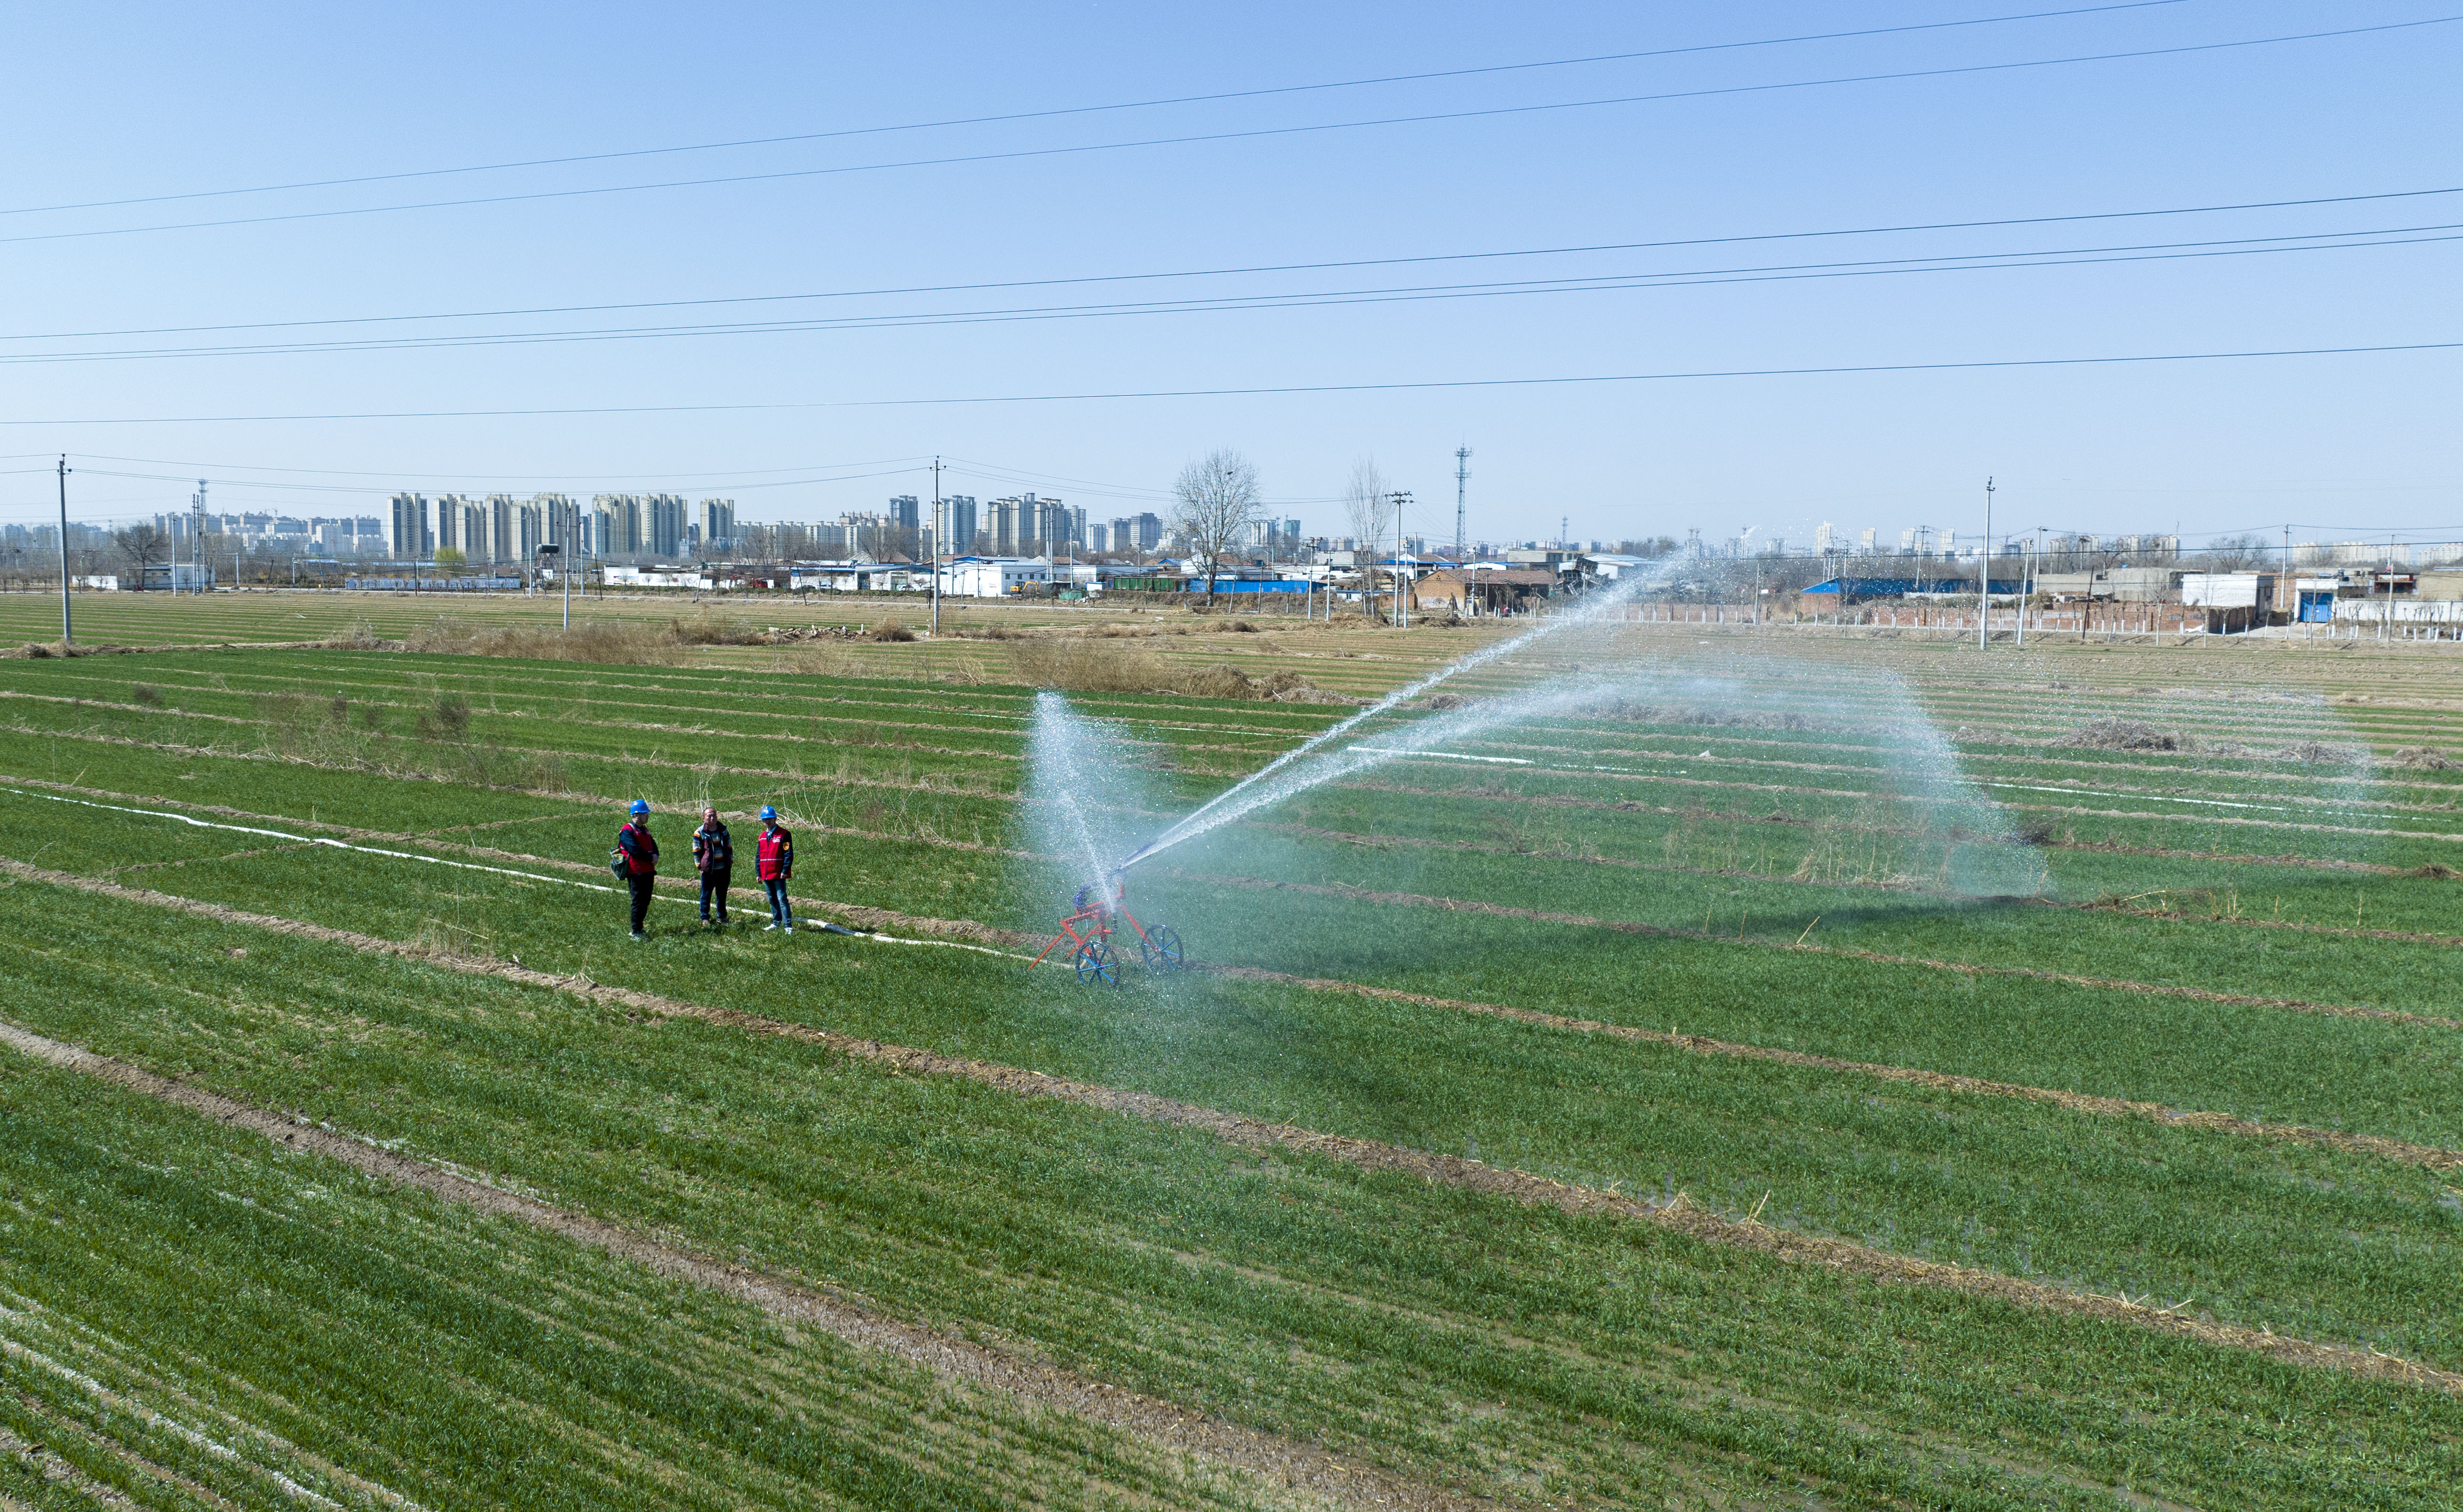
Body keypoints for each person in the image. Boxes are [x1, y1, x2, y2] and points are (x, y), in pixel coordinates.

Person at [616, 799, 658, 940]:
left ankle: (640, 928)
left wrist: (656, 855)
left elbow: (653, 845)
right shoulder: (627, 831)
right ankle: (635, 931)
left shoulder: (645, 830)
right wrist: (650, 857)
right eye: (645, 814)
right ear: (636, 815)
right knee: (638, 902)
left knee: (646, 901)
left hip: (648, 871)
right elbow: (634, 850)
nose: (647, 816)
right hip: (636, 872)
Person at [691, 806, 733, 926]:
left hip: (723, 869)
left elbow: (729, 846)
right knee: (706, 894)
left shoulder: (723, 830)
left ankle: (722, 917)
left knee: (722, 894)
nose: (712, 818)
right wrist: (700, 867)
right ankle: (705, 918)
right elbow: (696, 851)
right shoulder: (700, 833)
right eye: (709, 816)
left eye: (714, 815)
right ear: (703, 818)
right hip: (709, 870)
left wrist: (730, 861)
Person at [755, 805, 794, 932]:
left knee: (782, 898)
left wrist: (785, 870)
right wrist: (758, 873)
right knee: (772, 898)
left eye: (769, 819)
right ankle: (776, 922)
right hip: (766, 873)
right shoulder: (762, 837)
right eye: (765, 820)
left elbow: (788, 854)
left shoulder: (784, 834)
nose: (767, 822)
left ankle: (788, 925)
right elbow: (758, 856)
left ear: (775, 819)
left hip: (779, 873)